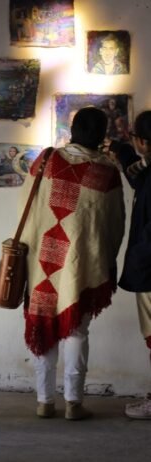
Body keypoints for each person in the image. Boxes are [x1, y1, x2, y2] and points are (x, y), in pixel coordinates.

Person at [18, 107, 125, 420]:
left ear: (72, 129)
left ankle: (44, 401)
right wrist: (105, 259)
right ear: (102, 134)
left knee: (43, 323)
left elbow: (26, 205)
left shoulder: (46, 160)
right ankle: (74, 404)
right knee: (77, 332)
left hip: (42, 259)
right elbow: (114, 224)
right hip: (80, 264)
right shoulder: (106, 172)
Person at [107, 111, 151, 419]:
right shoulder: (146, 169)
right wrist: (122, 150)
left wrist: (137, 261)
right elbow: (137, 176)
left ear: (143, 142)